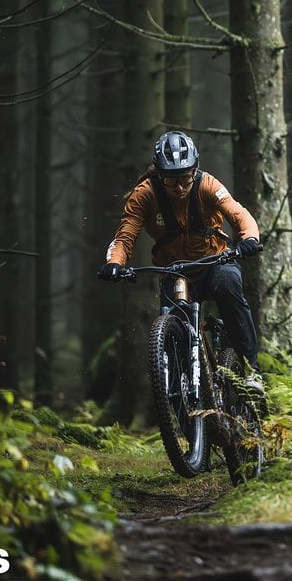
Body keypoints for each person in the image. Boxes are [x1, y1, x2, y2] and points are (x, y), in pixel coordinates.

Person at [97, 131, 264, 393]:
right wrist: (114, 263)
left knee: (229, 283)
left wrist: (249, 238)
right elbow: (125, 236)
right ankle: (179, 396)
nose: (180, 187)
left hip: (215, 263)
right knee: (175, 321)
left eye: (186, 178)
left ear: (195, 169)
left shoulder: (207, 184)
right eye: (171, 180)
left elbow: (239, 214)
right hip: (176, 273)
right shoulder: (144, 195)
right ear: (159, 174)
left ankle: (252, 370)